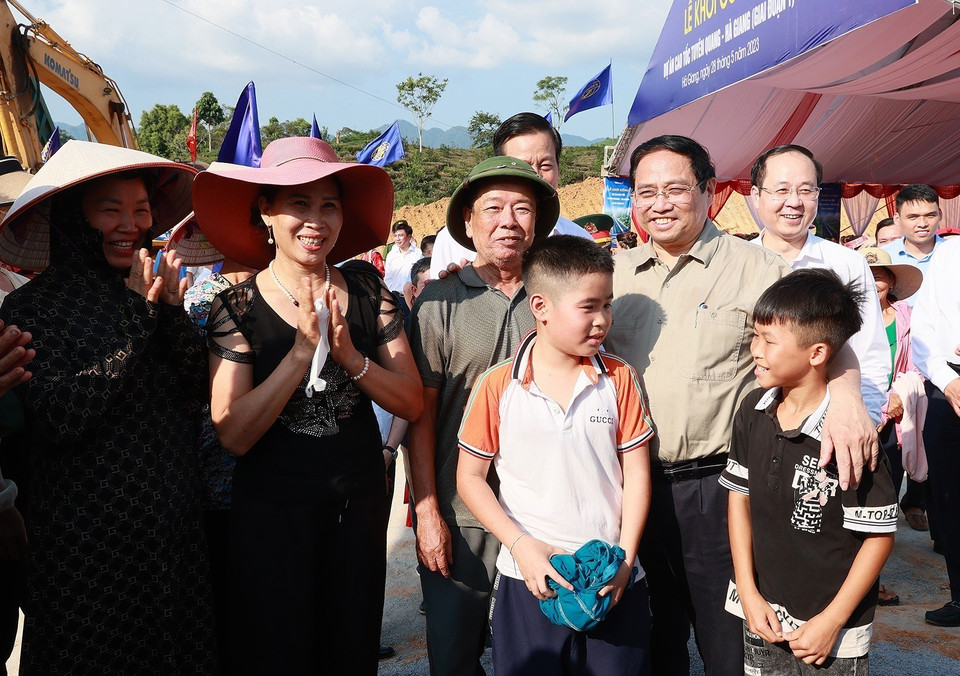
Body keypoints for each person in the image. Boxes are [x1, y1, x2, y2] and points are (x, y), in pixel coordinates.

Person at [606, 135, 879, 675]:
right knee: (648, 640)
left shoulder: (758, 269)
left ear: (709, 190)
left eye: (675, 189)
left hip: (718, 491)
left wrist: (848, 398)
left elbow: (829, 338)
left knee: (728, 643)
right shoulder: (613, 274)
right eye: (646, 192)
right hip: (628, 487)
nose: (660, 204)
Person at [195, 136, 422, 674]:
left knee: (350, 646)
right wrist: (301, 353)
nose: (316, 221)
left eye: (329, 205)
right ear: (266, 212)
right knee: (278, 649)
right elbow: (233, 434)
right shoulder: (236, 307)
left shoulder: (367, 292)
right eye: (299, 203)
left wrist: (351, 358)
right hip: (272, 515)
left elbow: (411, 401)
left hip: (356, 511)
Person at [0, 141, 214, 673]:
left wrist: (170, 315)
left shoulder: (149, 294)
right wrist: (140, 319)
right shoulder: (31, 307)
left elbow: (200, 392)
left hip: (173, 533)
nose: (130, 224)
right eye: (110, 209)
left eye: (140, 209)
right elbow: (61, 415)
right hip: (85, 549)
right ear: (75, 218)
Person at [457, 234, 653, 674]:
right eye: (589, 307)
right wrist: (521, 546)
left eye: (608, 304)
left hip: (611, 578)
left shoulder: (620, 378)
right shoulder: (497, 385)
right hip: (528, 579)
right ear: (540, 306)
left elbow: (638, 475)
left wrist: (625, 558)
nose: (602, 320)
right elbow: (469, 478)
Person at [409, 155, 560, 675]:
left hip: (545, 513)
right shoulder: (439, 301)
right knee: (454, 656)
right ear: (469, 222)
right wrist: (427, 510)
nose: (508, 221)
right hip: (462, 514)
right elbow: (421, 416)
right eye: (493, 208)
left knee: (542, 657)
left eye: (522, 208)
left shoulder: (558, 292)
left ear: (537, 222)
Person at [722, 268, 897, 673]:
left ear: (817, 353)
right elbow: (738, 501)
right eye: (755, 335)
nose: (756, 350)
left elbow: (878, 536)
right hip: (762, 613)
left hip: (833, 630)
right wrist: (748, 591)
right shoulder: (752, 410)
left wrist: (831, 621)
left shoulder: (849, 436)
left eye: (769, 340)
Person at [749, 145, 890, 424]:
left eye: (806, 190)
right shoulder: (735, 263)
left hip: (826, 425)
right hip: (748, 422)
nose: (794, 202)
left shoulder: (847, 264)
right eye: (781, 190)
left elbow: (869, 351)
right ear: (756, 195)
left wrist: (868, 418)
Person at [429, 112, 592, 279]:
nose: (536, 175)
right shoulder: (451, 242)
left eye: (546, 165)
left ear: (558, 169)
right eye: (523, 166)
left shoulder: (579, 241)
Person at [911, 234, 960, 626]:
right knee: (949, 498)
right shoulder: (948, 255)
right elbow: (923, 330)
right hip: (949, 387)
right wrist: (947, 381)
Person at [881, 184, 947, 307]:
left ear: (940, 214)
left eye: (930, 215)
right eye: (913, 217)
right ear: (897, 219)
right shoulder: (884, 257)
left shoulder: (954, 253)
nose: (922, 224)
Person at [384, 219, 422, 292]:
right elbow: (388, 278)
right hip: (395, 294)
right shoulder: (391, 255)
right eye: (395, 236)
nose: (397, 239)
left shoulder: (418, 254)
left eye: (401, 235)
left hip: (413, 295)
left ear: (409, 237)